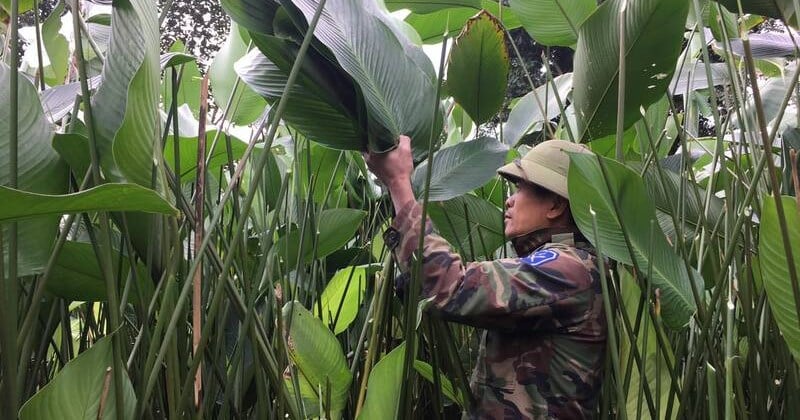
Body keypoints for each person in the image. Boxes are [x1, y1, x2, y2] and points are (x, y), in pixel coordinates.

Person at [365, 136, 607, 419]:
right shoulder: (565, 265)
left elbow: (451, 287)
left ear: (555, 206)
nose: (509, 200)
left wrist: (398, 183)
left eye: (520, 188)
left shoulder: (568, 269)